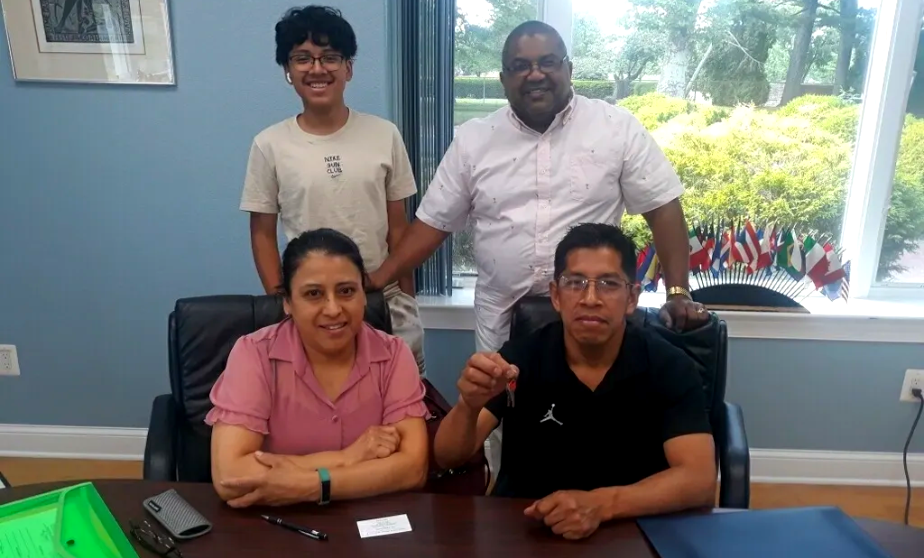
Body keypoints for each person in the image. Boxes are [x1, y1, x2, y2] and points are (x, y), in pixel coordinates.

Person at [368, 19, 708, 353]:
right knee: (501, 406)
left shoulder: (616, 129)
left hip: (590, 308)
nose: (535, 74)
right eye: (520, 66)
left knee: (592, 406)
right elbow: (434, 223)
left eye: (547, 62)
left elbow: (662, 207)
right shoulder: (474, 139)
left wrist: (678, 291)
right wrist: (379, 279)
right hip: (501, 319)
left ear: (569, 69)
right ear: (504, 79)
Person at [433, 223, 716, 540]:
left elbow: (700, 480)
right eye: (575, 283)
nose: (590, 298)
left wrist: (601, 505)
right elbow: (448, 456)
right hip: (528, 529)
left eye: (608, 284)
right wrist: (468, 407)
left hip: (628, 530)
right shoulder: (520, 359)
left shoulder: (669, 366)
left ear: (632, 297)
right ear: (555, 295)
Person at [240, 5, 426, 375]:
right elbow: (262, 234)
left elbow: (399, 228)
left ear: (348, 68)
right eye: (303, 58)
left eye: (330, 57)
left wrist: (405, 297)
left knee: (402, 407)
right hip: (312, 307)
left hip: (381, 296)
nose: (317, 68)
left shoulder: (384, 134)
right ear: (288, 72)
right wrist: (284, 301)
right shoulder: (269, 144)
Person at [207, 228, 429, 508]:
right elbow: (231, 476)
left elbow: (413, 469)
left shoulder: (394, 355)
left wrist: (312, 485)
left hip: (370, 524)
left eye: (347, 291)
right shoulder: (254, 354)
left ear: (364, 294)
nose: (333, 309)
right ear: (287, 302)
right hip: (276, 529)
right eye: (314, 294)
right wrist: (348, 458)